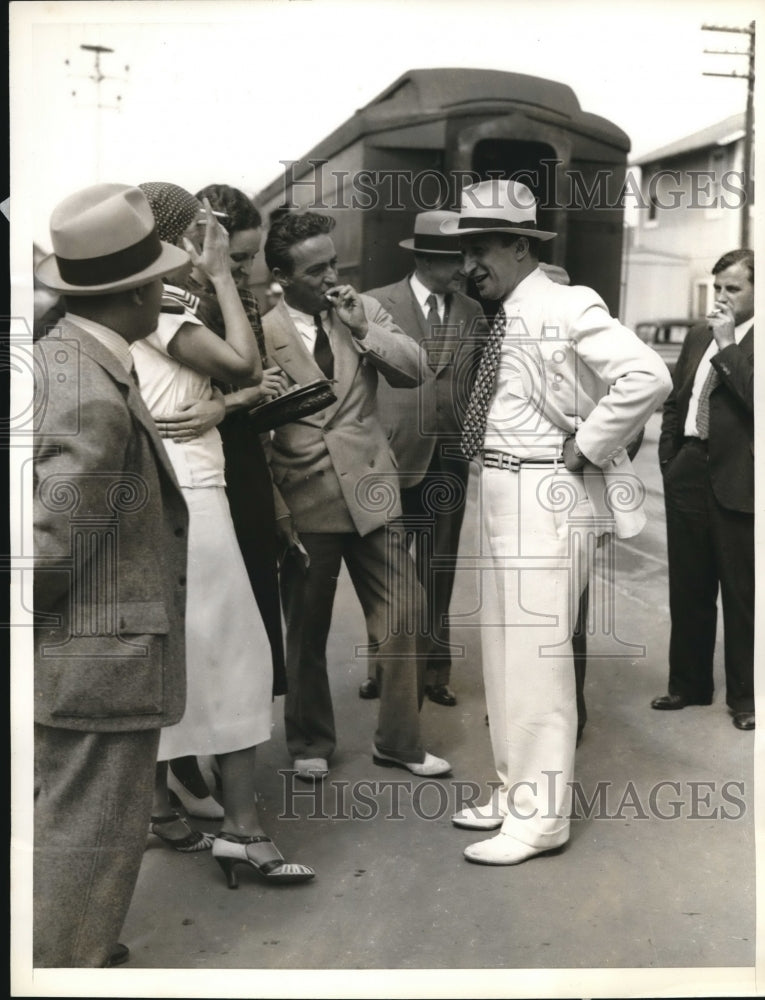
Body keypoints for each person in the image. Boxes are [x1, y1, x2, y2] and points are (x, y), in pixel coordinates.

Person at [446, 179, 671, 865]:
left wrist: (588, 445)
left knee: (537, 661)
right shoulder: (507, 310)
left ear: (519, 246)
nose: (468, 265)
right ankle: (514, 790)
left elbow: (646, 376)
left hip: (546, 495)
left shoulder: (565, 303)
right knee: (503, 655)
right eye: (464, 252)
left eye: (480, 249)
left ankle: (541, 818)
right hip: (500, 493)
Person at [132, 182, 314, 886]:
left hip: (179, 484)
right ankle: (241, 830)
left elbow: (242, 380)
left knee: (181, 650)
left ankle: (161, 813)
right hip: (191, 491)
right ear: (185, 237)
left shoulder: (147, 302)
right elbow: (243, 363)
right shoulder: (167, 301)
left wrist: (229, 400)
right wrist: (215, 276)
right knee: (234, 654)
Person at [33, 183, 190, 966]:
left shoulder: (64, 357)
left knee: (68, 820)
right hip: (99, 657)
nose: (166, 288)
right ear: (134, 292)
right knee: (90, 831)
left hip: (81, 654)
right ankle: (68, 962)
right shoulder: (92, 391)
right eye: (160, 277)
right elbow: (47, 550)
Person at [262, 210, 451, 781]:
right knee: (308, 627)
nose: (330, 278)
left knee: (406, 615)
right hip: (306, 496)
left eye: (334, 264)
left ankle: (399, 740)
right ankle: (309, 742)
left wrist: (363, 329)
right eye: (315, 270)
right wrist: (276, 508)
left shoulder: (360, 310)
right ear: (281, 276)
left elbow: (416, 370)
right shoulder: (260, 330)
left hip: (372, 491)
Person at [364, 210, 485, 708]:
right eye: (457, 258)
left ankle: (435, 669)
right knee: (388, 570)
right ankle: (382, 666)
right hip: (393, 457)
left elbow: (476, 385)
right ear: (427, 259)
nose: (465, 267)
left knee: (439, 566)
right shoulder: (376, 305)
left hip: (449, 459)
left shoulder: (473, 313)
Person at [652, 249, 755, 731]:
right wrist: (670, 460)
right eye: (717, 288)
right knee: (689, 585)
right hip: (690, 467)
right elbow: (677, 401)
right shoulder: (698, 337)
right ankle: (689, 684)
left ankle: (745, 698)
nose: (721, 298)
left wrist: (730, 344)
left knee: (741, 591)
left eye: (732, 289)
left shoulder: (738, 341)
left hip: (740, 474)